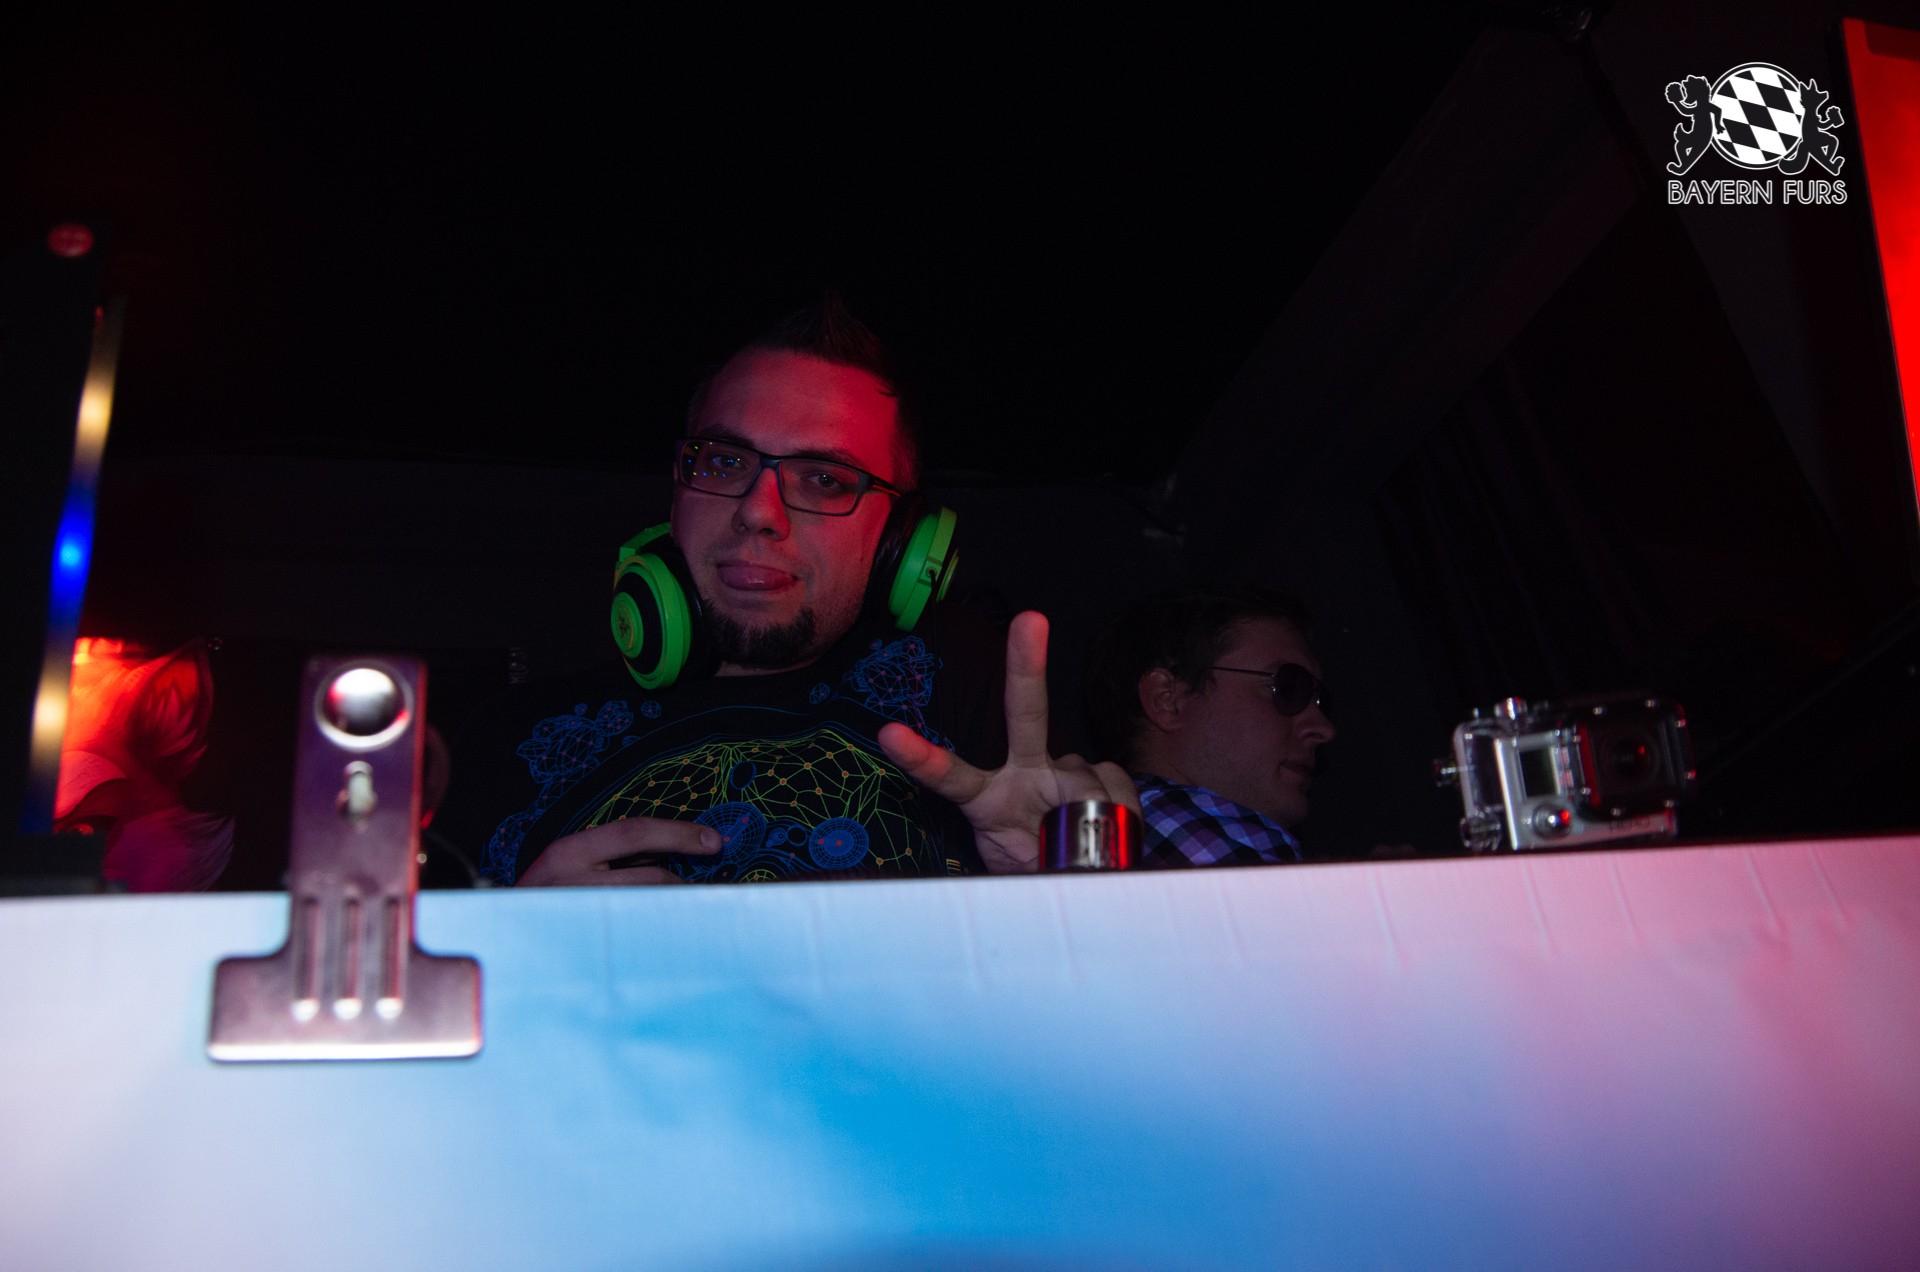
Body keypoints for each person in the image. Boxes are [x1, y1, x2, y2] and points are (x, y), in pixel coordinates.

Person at [434, 298, 1135, 885]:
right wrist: (518, 941)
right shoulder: (510, 736)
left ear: (902, 540)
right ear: (677, 489)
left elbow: (1109, 976)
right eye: (724, 461)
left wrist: (1081, 873)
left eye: (824, 479)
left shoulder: (961, 672)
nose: (758, 511)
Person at [1083, 586, 1336, 867]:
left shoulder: (1108, 840)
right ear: (1167, 699)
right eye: (1288, 689)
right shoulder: (1180, 827)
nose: (1324, 728)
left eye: (1320, 702)